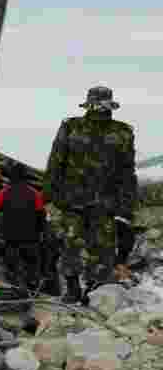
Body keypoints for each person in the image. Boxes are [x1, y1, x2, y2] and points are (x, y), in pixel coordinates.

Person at [43, 85, 137, 305]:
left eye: (103, 104)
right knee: (70, 245)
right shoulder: (71, 127)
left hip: (105, 204)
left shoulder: (122, 132)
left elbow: (127, 172)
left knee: (103, 250)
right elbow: (56, 161)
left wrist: (126, 208)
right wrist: (49, 196)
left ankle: (94, 291)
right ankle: (73, 289)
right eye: (96, 104)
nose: (99, 108)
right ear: (89, 104)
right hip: (71, 201)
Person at [0, 161, 46, 296]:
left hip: (11, 238)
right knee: (31, 265)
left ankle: (14, 290)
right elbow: (41, 213)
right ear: (26, 177)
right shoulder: (34, 193)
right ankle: (33, 290)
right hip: (30, 237)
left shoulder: (4, 193)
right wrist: (40, 232)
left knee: (12, 267)